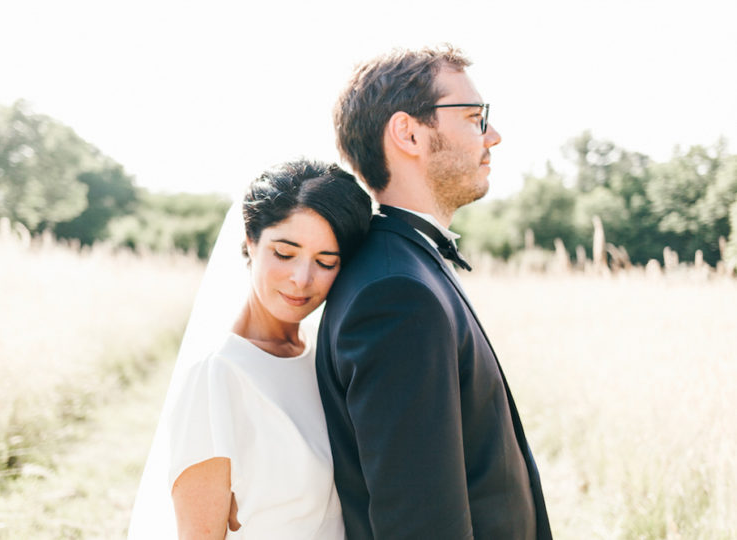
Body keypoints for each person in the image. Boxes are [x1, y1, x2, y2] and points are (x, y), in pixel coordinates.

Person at [315, 45, 552, 539]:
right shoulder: (395, 294)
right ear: (409, 133)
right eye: (473, 117)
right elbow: (418, 523)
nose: (493, 135)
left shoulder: (405, 266)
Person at [128, 159, 372, 539]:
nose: (301, 280)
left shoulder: (325, 353)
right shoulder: (216, 376)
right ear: (250, 241)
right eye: (285, 253)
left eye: (326, 262)